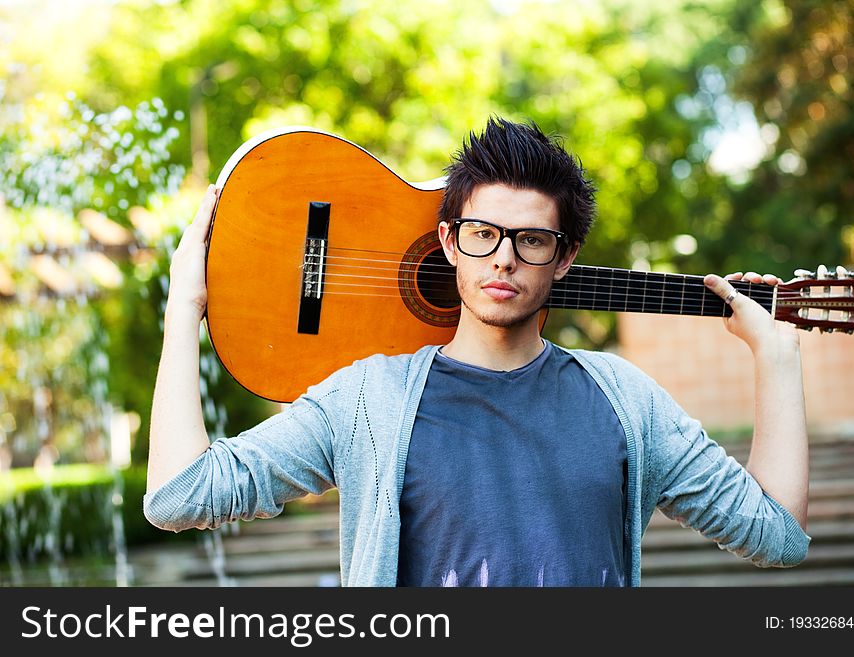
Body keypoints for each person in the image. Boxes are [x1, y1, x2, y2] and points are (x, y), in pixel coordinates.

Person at [144, 117, 814, 587]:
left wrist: (776, 360)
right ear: (447, 239)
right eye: (483, 232)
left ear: (565, 256)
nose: (503, 259)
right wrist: (185, 309)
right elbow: (180, 496)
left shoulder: (626, 399)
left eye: (531, 240)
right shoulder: (368, 398)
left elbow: (776, 535)